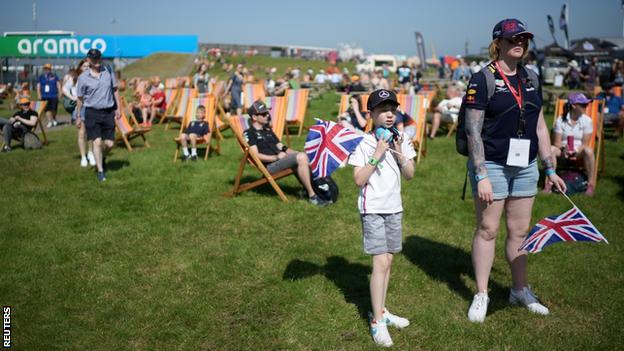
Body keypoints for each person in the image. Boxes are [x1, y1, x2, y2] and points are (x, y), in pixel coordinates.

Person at [463, 18, 566, 323]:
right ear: (499, 43)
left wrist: (550, 168)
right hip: (492, 164)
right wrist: (480, 174)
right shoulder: (482, 79)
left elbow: (539, 124)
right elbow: (472, 130)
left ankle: (519, 290)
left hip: (526, 166)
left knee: (520, 230)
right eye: (512, 39)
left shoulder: (532, 78)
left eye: (522, 39)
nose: (518, 43)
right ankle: (482, 294)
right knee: (488, 229)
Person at [347, 89, 415, 347]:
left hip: (394, 207)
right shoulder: (364, 143)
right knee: (380, 263)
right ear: (371, 114)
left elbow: (410, 174)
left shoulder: (401, 139)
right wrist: (377, 152)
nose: (389, 114)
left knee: (388, 260)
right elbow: (358, 179)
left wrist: (398, 152)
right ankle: (376, 321)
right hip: (373, 208)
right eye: (383, 110)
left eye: (392, 110)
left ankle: (382, 310)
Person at [243, 100, 329, 207]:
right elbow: (255, 155)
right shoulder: (249, 133)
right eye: (263, 114)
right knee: (301, 158)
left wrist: (297, 153)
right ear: (254, 117)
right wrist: (275, 157)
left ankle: (312, 191)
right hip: (269, 166)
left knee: (303, 156)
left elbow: (281, 147)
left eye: (267, 113)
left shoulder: (267, 130)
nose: (267, 116)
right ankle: (313, 196)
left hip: (281, 160)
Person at [76, 48, 122, 182]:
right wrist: (78, 115)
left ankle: (100, 157)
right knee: (96, 141)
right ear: (88, 60)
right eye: (94, 58)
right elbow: (79, 98)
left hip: (108, 111)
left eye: (98, 58)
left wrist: (118, 107)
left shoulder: (108, 71)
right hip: (92, 112)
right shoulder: (83, 78)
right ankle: (100, 171)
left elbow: (115, 90)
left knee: (109, 144)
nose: (97, 61)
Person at [546, 93, 596, 196]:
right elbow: (556, 142)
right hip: (562, 149)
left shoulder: (587, 121)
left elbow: (585, 144)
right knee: (551, 149)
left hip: (578, 151)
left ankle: (590, 184)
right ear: (573, 105)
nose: (586, 106)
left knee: (589, 150)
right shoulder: (560, 120)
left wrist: (575, 151)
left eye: (586, 105)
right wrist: (564, 149)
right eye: (583, 105)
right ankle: (549, 183)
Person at [63, 59, 95, 167]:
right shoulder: (75, 78)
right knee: (82, 133)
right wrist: (73, 97)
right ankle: (83, 157)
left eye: (88, 66)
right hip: (80, 108)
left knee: (90, 132)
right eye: (84, 66)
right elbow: (64, 88)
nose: (86, 68)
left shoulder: (93, 77)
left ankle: (90, 153)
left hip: (91, 107)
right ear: (80, 67)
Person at [37, 63, 62, 128]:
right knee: (47, 109)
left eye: (48, 68)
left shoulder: (54, 76)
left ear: (50, 69)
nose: (47, 70)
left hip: (53, 95)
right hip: (44, 95)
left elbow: (58, 84)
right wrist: (39, 94)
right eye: (45, 68)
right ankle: (50, 121)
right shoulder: (41, 77)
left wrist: (60, 92)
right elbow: (38, 86)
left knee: (54, 109)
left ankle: (53, 118)